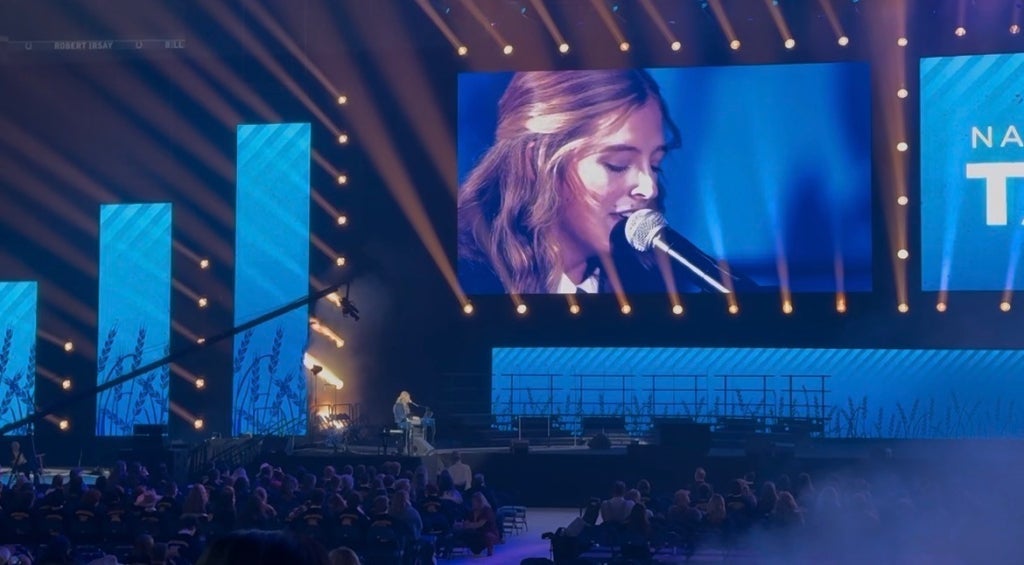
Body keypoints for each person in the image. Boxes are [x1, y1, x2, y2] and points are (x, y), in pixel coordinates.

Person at [458, 70, 752, 295]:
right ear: (536, 162)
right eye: (617, 165)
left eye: (655, 165)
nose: (648, 188)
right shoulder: (465, 279)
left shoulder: (654, 285)